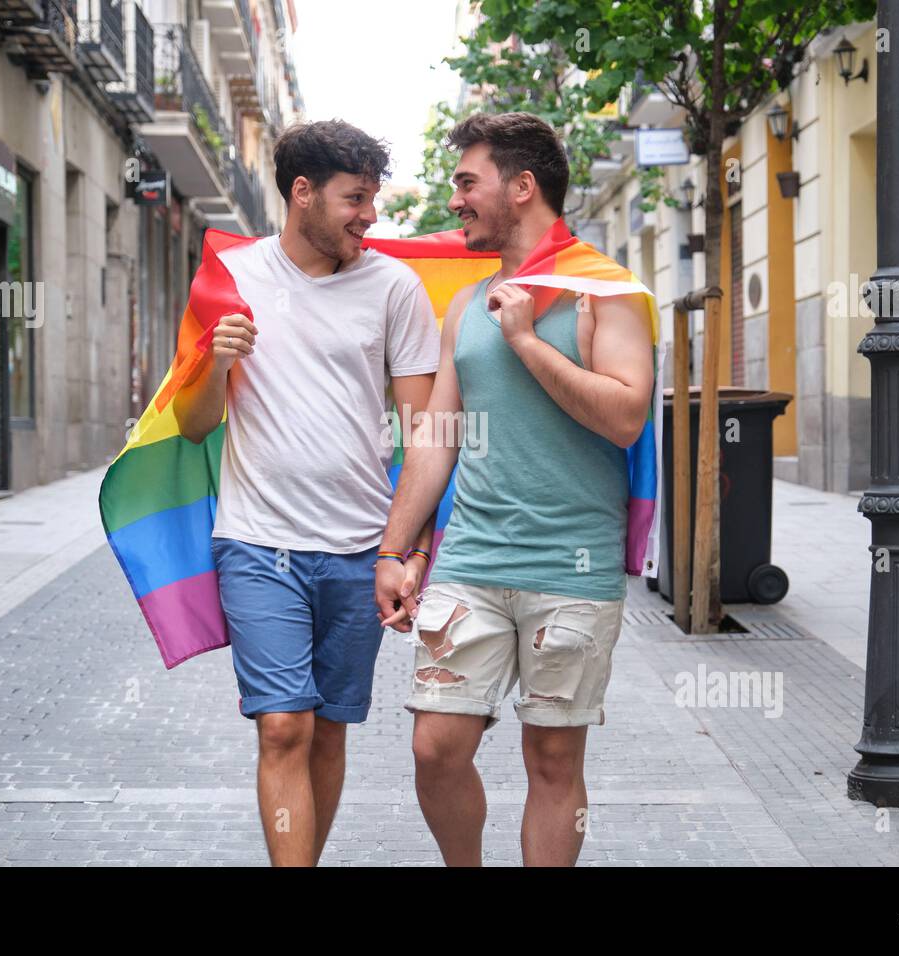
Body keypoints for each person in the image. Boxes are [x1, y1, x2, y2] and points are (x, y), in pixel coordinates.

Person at [374, 112, 656, 866]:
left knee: (554, 763)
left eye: (468, 182)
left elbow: (626, 417)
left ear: (522, 186)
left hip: (573, 571)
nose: (456, 200)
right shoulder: (467, 305)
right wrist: (394, 550)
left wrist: (528, 341)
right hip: (470, 561)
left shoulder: (606, 294)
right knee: (435, 746)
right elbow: (435, 438)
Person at [174, 120, 439, 866]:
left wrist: (407, 549)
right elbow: (194, 427)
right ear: (302, 193)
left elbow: (424, 433)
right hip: (258, 544)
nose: (370, 215)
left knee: (327, 730)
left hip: (359, 550)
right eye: (356, 197)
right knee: (283, 726)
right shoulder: (229, 279)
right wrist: (210, 365)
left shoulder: (394, 287)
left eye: (373, 199)